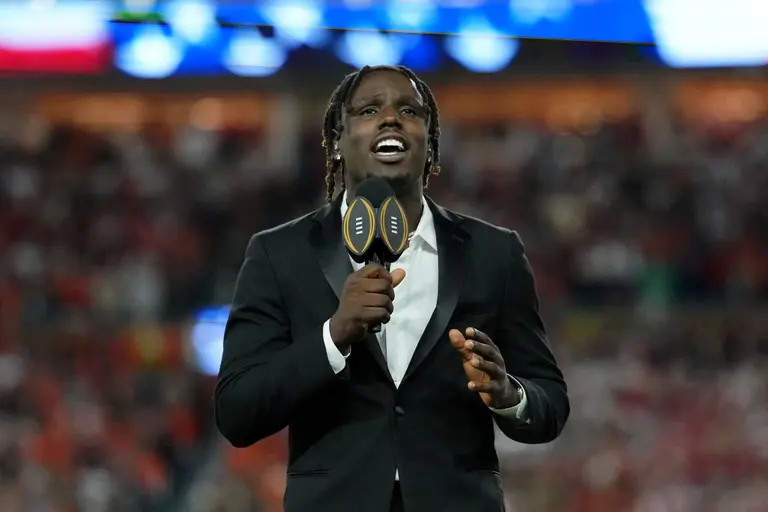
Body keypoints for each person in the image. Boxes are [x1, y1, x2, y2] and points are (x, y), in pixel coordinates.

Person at [215, 65, 569, 512]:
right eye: (368, 110)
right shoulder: (278, 253)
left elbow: (551, 403)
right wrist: (333, 336)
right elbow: (237, 411)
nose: (390, 119)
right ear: (338, 140)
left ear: (430, 141)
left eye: (409, 110)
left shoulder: (493, 253)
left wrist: (509, 394)